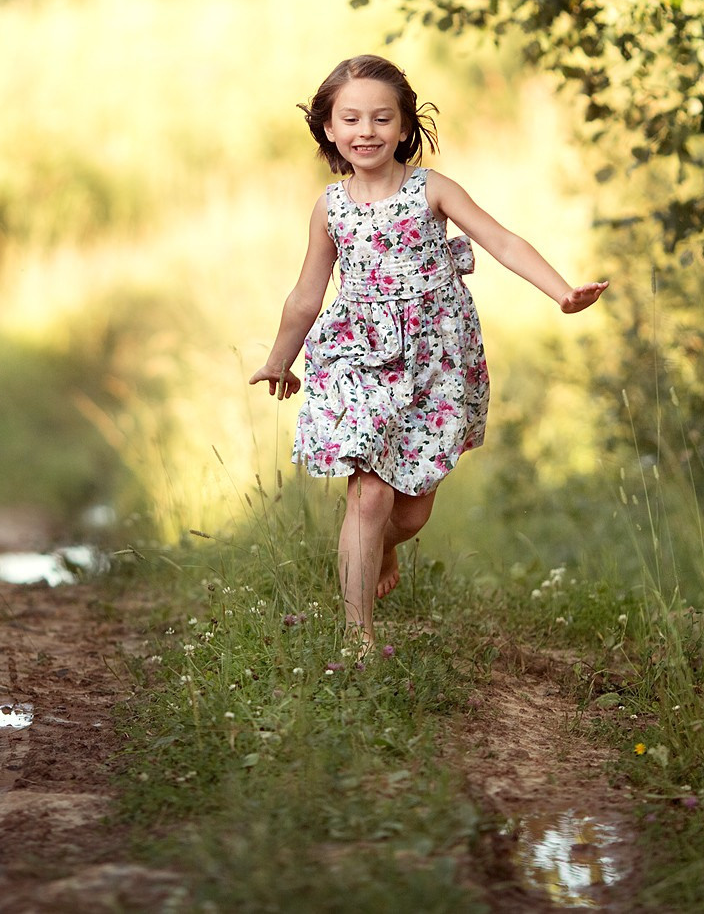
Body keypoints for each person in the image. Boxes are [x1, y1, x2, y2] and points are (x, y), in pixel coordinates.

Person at [249, 55, 609, 647]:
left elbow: (500, 241)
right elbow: (305, 296)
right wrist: (278, 359)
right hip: (355, 357)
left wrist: (563, 292)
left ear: (404, 126)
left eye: (382, 118)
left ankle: (383, 550)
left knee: (409, 514)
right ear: (329, 130)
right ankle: (358, 639)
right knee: (369, 493)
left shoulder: (432, 190)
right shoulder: (330, 208)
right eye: (352, 119)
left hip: (433, 361)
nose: (367, 131)